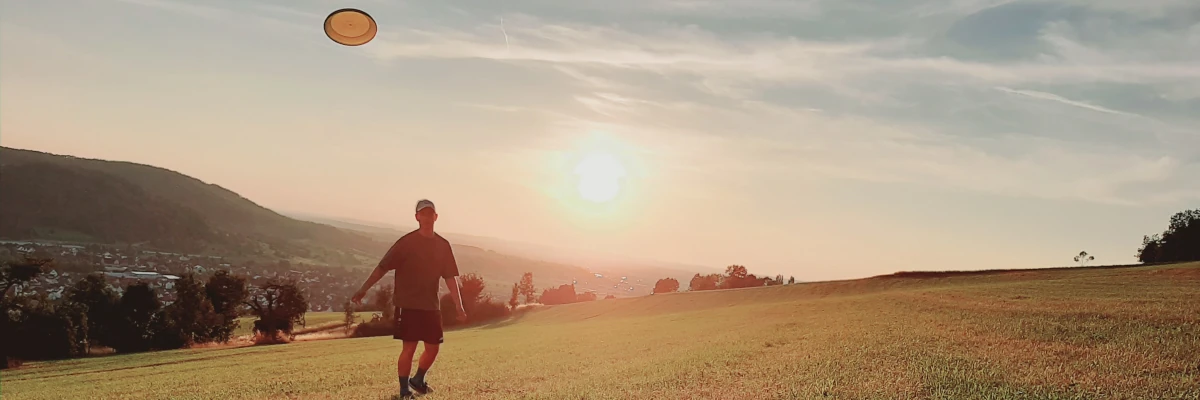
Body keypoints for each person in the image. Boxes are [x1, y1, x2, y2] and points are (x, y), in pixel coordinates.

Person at [352, 199, 467, 399]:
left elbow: (450, 277)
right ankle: (404, 390)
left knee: (433, 347)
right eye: (423, 213)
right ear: (417, 217)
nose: (427, 217)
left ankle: (418, 380)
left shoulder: (443, 245)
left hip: (431, 306)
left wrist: (459, 305)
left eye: (431, 213)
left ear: (436, 217)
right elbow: (382, 267)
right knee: (410, 347)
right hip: (408, 304)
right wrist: (363, 289)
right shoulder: (406, 243)